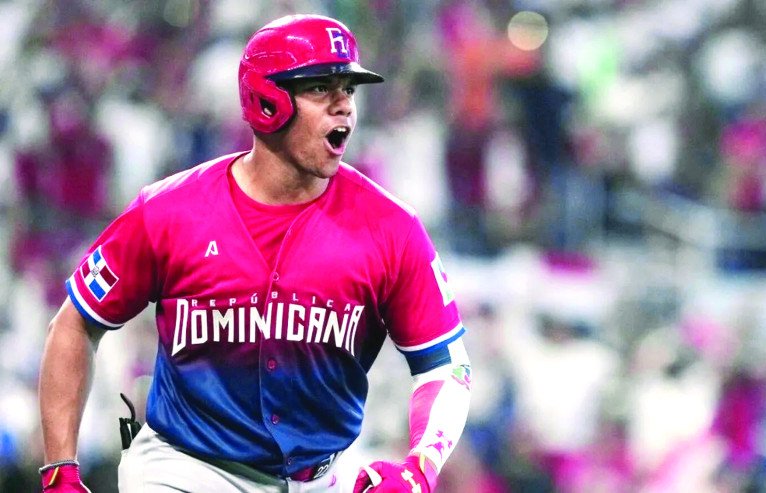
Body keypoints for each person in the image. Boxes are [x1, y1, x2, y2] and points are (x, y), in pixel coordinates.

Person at [38, 14, 471, 493]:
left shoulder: (392, 227)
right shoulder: (169, 210)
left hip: (319, 478)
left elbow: (446, 364)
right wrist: (59, 469)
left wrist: (420, 466)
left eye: (348, 89)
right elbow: (75, 323)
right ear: (267, 101)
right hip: (182, 469)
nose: (344, 105)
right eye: (321, 88)